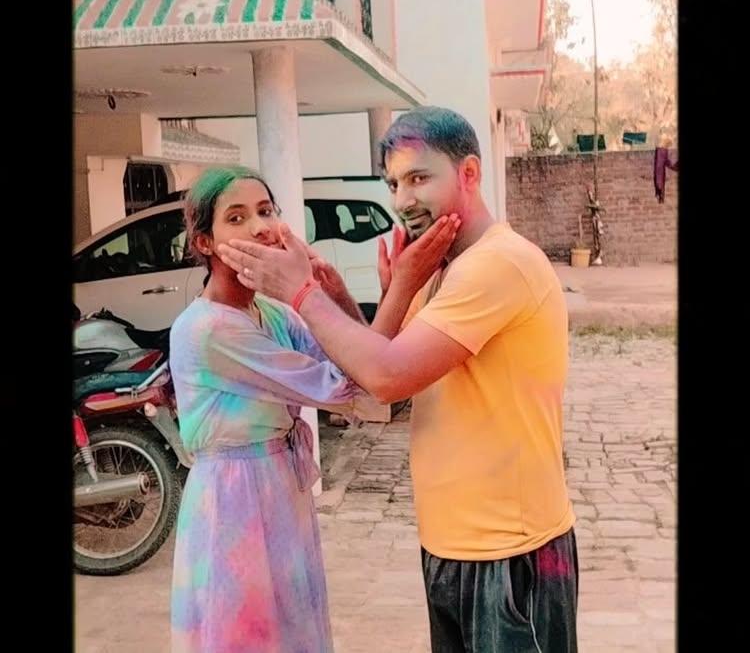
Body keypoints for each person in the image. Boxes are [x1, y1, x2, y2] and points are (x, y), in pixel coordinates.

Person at [219, 107, 579, 653]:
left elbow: (386, 377)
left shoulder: (498, 264)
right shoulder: (444, 269)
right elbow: (380, 375)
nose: (402, 200)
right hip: (453, 546)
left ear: (469, 173)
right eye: (393, 184)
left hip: (511, 552)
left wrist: (301, 293)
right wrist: (346, 295)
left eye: (418, 178)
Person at [169, 165, 458, 653]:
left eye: (266, 211)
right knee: (250, 635)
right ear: (204, 243)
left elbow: (358, 367)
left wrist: (341, 294)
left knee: (293, 628)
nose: (259, 227)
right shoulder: (209, 330)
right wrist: (404, 286)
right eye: (236, 218)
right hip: (233, 504)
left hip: (281, 489)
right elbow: (342, 387)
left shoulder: (271, 312)